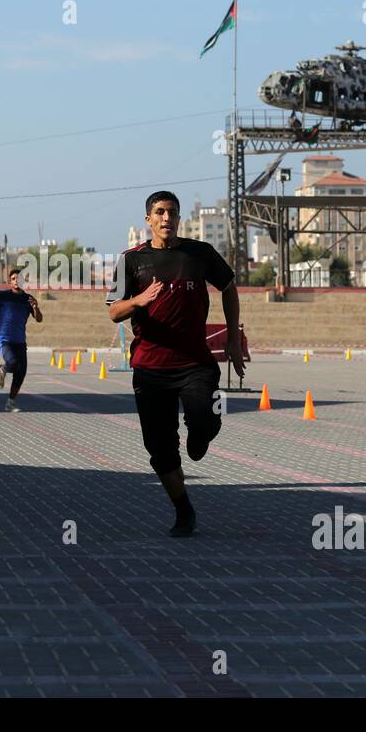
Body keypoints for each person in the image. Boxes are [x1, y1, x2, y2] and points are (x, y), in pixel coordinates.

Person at [106, 190, 243, 537]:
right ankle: (184, 510)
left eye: (173, 212)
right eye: (160, 212)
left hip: (195, 362)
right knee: (160, 449)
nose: (167, 218)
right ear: (148, 219)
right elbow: (113, 311)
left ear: (179, 218)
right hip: (151, 368)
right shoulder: (131, 260)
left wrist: (230, 338)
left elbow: (228, 286)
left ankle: (201, 436)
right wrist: (138, 299)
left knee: (204, 420)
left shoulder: (199, 253)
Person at [0, 268, 42, 411]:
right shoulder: (2, 296)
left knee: (21, 372)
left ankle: (10, 403)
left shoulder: (28, 298)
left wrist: (35, 307)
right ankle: (1, 368)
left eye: (19, 278)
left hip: (20, 341)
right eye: (13, 278)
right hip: (5, 339)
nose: (16, 281)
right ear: (9, 281)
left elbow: (39, 319)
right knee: (12, 363)